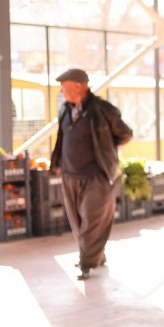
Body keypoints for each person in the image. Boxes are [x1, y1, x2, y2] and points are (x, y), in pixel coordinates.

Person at [50, 68, 133, 280]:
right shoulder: (65, 110)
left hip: (97, 175)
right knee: (77, 220)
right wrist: (57, 163)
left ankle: (87, 263)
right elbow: (61, 138)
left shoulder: (103, 109)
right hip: (70, 174)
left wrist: (107, 149)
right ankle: (96, 255)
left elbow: (125, 134)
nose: (61, 90)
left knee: (93, 219)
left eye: (64, 85)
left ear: (79, 85)